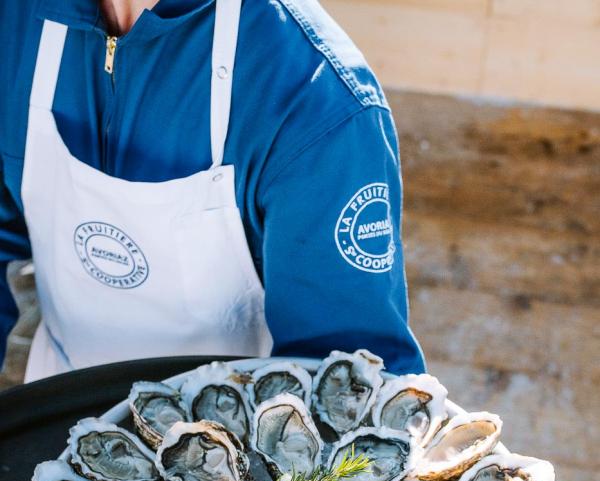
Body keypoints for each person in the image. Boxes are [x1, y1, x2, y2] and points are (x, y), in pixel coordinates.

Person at [0, 0, 424, 382]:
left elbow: (347, 383)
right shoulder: (18, 18)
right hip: (56, 417)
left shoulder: (316, 102)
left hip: (238, 452)